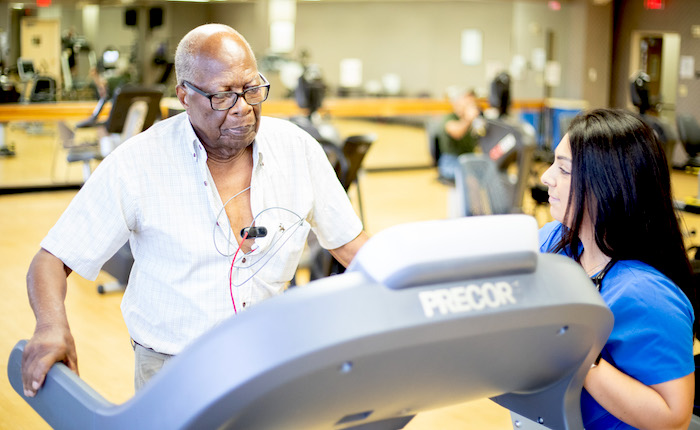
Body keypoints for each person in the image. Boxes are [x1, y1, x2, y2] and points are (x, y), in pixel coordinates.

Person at [21, 23, 368, 396]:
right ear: (185, 95)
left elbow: (354, 248)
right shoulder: (138, 163)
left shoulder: (298, 151)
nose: (243, 109)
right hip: (172, 369)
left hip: (267, 360)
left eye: (252, 90)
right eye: (223, 96)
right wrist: (50, 327)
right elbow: (52, 259)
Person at [539, 108, 696, 429]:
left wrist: (581, 354)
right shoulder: (555, 240)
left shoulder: (645, 293)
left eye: (564, 170)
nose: (546, 177)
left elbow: (673, 416)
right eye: (553, 162)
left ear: (608, 185)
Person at [437, 90, 484, 182]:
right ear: (458, 102)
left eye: (472, 103)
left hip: (469, 160)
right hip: (451, 162)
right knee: (470, 177)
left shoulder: (474, 121)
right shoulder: (449, 117)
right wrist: (467, 120)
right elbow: (457, 133)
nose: (471, 106)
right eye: (467, 103)